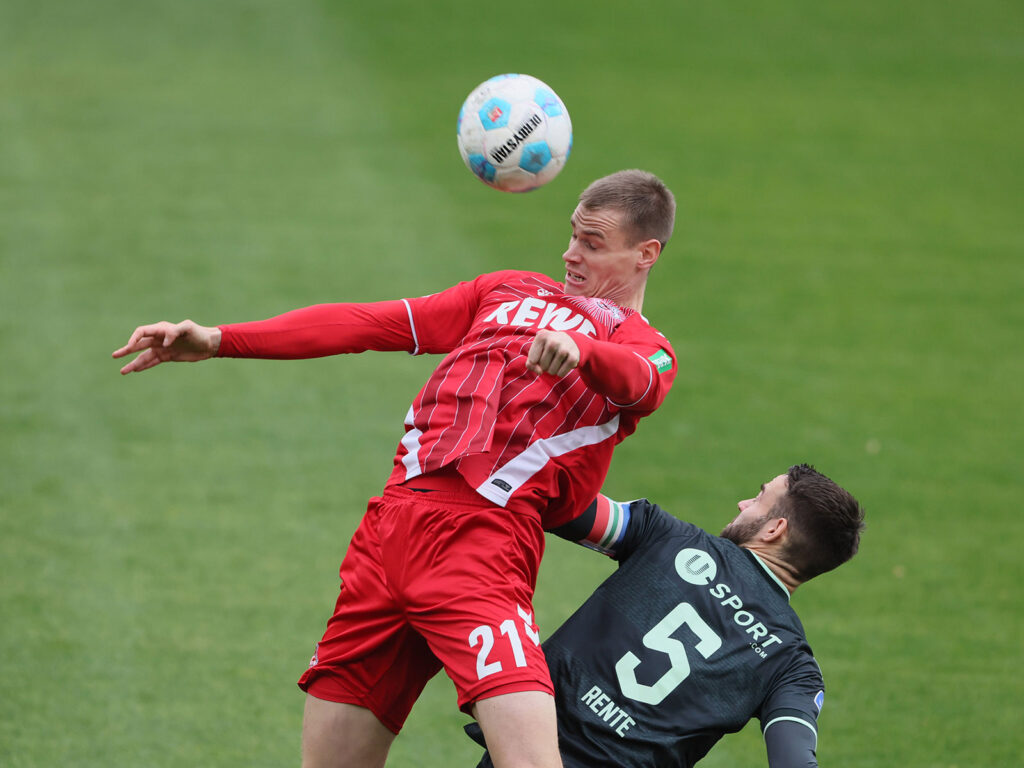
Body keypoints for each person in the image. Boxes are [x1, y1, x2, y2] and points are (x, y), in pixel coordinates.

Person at [112, 170, 678, 768]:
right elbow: (367, 323)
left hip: (479, 544)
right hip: (387, 536)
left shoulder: (644, 346)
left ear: (646, 254)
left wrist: (583, 352)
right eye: (571, 235)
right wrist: (220, 338)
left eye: (592, 243)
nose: (570, 254)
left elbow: (641, 383)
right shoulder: (506, 290)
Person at [468, 463, 865, 767]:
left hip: (523, 744)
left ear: (774, 529)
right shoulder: (793, 666)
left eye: (758, 498)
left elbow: (555, 503)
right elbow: (793, 760)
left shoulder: (667, 537)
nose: (743, 504)